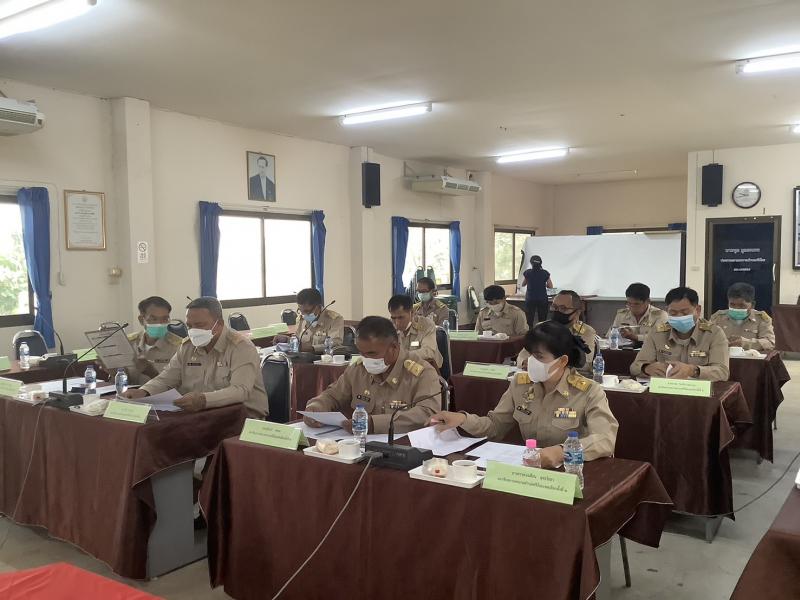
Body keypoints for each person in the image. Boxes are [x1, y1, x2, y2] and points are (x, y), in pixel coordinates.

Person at [430, 321, 618, 468]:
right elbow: (495, 426)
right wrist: (462, 419)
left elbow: (605, 439)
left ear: (562, 361)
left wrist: (563, 451)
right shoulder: (520, 386)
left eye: (539, 357)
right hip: (529, 470)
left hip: (571, 471)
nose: (530, 362)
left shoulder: (588, 391)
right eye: (529, 354)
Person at [121, 297, 268, 417]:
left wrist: (204, 400)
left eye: (200, 325)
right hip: (201, 416)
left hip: (242, 418)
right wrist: (144, 392)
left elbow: (240, 390)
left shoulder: (240, 347)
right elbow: (166, 379)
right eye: (189, 326)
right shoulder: (187, 347)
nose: (193, 331)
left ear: (219, 324)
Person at [303, 316, 441, 434]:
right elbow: (333, 395)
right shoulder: (358, 369)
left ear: (394, 347)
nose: (366, 359)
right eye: (361, 353)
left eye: (372, 353)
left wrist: (374, 424)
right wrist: (316, 407)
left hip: (403, 446)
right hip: (359, 445)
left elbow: (427, 413)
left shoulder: (422, 373)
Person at [630, 286, 729, 381]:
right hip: (664, 388)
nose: (679, 317)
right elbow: (635, 367)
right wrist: (646, 368)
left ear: (698, 310)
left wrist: (693, 371)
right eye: (673, 313)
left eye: (685, 313)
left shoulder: (714, 333)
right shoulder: (657, 333)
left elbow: (722, 372)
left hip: (698, 390)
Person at [518, 290, 596, 374]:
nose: (557, 311)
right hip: (539, 375)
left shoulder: (586, 331)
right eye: (554, 307)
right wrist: (524, 362)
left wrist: (548, 365)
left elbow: (585, 364)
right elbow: (523, 354)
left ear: (577, 312)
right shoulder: (541, 327)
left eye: (563, 308)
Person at [123, 296, 183, 385]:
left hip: (161, 394)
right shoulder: (128, 343)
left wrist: (151, 372)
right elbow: (121, 379)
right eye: (154, 319)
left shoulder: (179, 347)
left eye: (165, 319)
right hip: (129, 392)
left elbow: (178, 387)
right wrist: (112, 371)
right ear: (141, 320)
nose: (160, 324)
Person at [709, 282, 775, 352]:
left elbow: (770, 343)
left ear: (752, 305)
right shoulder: (718, 317)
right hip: (723, 357)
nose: (736, 308)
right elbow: (705, 339)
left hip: (750, 358)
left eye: (742, 305)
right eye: (732, 304)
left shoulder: (761, 319)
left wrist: (745, 343)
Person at [388, 294, 443, 368]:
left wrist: (401, 356)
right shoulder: (389, 327)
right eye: (393, 318)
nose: (397, 323)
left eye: (401, 317)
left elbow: (428, 352)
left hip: (427, 368)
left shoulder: (427, 325)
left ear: (412, 312)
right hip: (401, 369)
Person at [295, 288, 344, 353]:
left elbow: (335, 344)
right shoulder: (301, 318)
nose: (303, 314)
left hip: (325, 357)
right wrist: (287, 340)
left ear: (317, 306)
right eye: (300, 310)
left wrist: (312, 348)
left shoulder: (335, 319)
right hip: (302, 357)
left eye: (306, 311)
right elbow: (296, 340)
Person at [521, 255, 554, 328]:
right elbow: (550, 286)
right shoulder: (545, 273)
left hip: (530, 298)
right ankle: (541, 332)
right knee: (542, 318)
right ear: (540, 263)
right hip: (542, 298)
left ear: (531, 263)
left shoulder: (527, 272)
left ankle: (530, 332)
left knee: (529, 318)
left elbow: (523, 284)